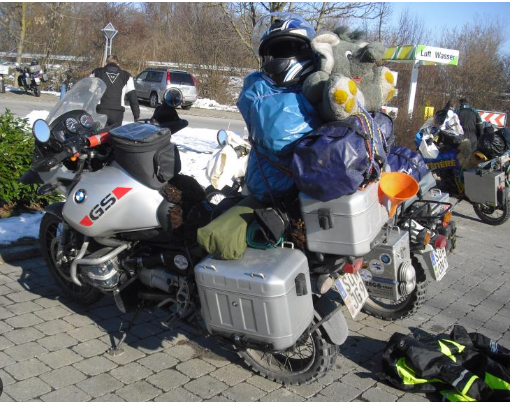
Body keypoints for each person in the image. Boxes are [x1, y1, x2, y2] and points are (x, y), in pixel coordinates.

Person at [91, 55, 140, 127]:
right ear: (118, 64)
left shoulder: (97, 72)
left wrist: (85, 110)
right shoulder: (126, 76)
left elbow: (90, 92)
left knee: (100, 133)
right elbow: (133, 97)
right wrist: (136, 115)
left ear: (105, 63)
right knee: (114, 133)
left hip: (100, 110)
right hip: (117, 113)